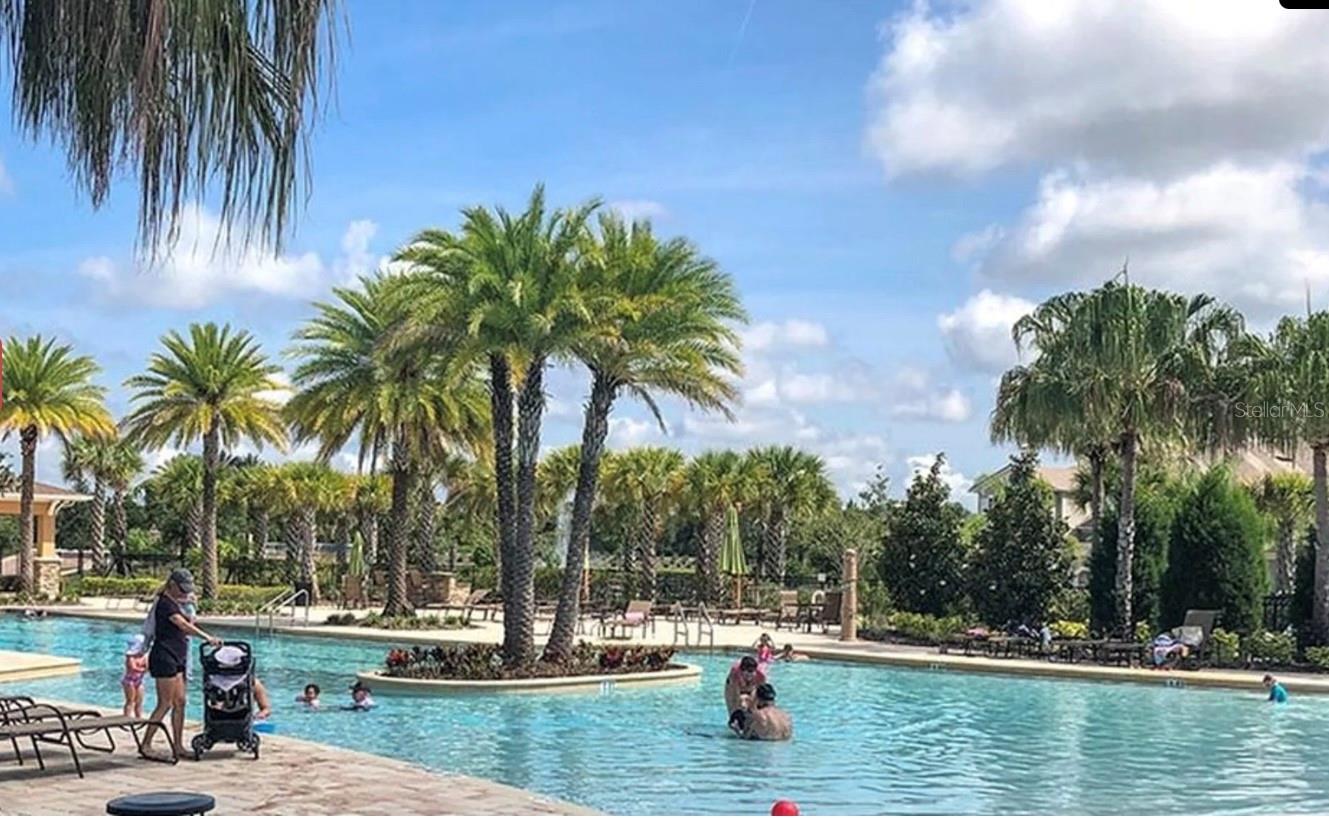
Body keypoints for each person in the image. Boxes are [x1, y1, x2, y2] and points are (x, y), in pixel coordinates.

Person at [137, 569, 221, 760]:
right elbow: (182, 624)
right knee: (165, 703)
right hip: (164, 657)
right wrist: (207, 637)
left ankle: (178, 745)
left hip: (179, 657)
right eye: (182, 589)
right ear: (172, 585)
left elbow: (187, 619)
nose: (185, 593)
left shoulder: (178, 602)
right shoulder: (165, 604)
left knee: (180, 702)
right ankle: (146, 744)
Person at [121, 634, 149, 718]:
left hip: (139, 680)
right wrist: (144, 670)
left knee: (139, 702)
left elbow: (147, 666)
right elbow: (133, 668)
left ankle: (138, 717)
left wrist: (146, 668)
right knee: (130, 701)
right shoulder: (130, 657)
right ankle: (127, 717)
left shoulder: (143, 656)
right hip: (129, 681)